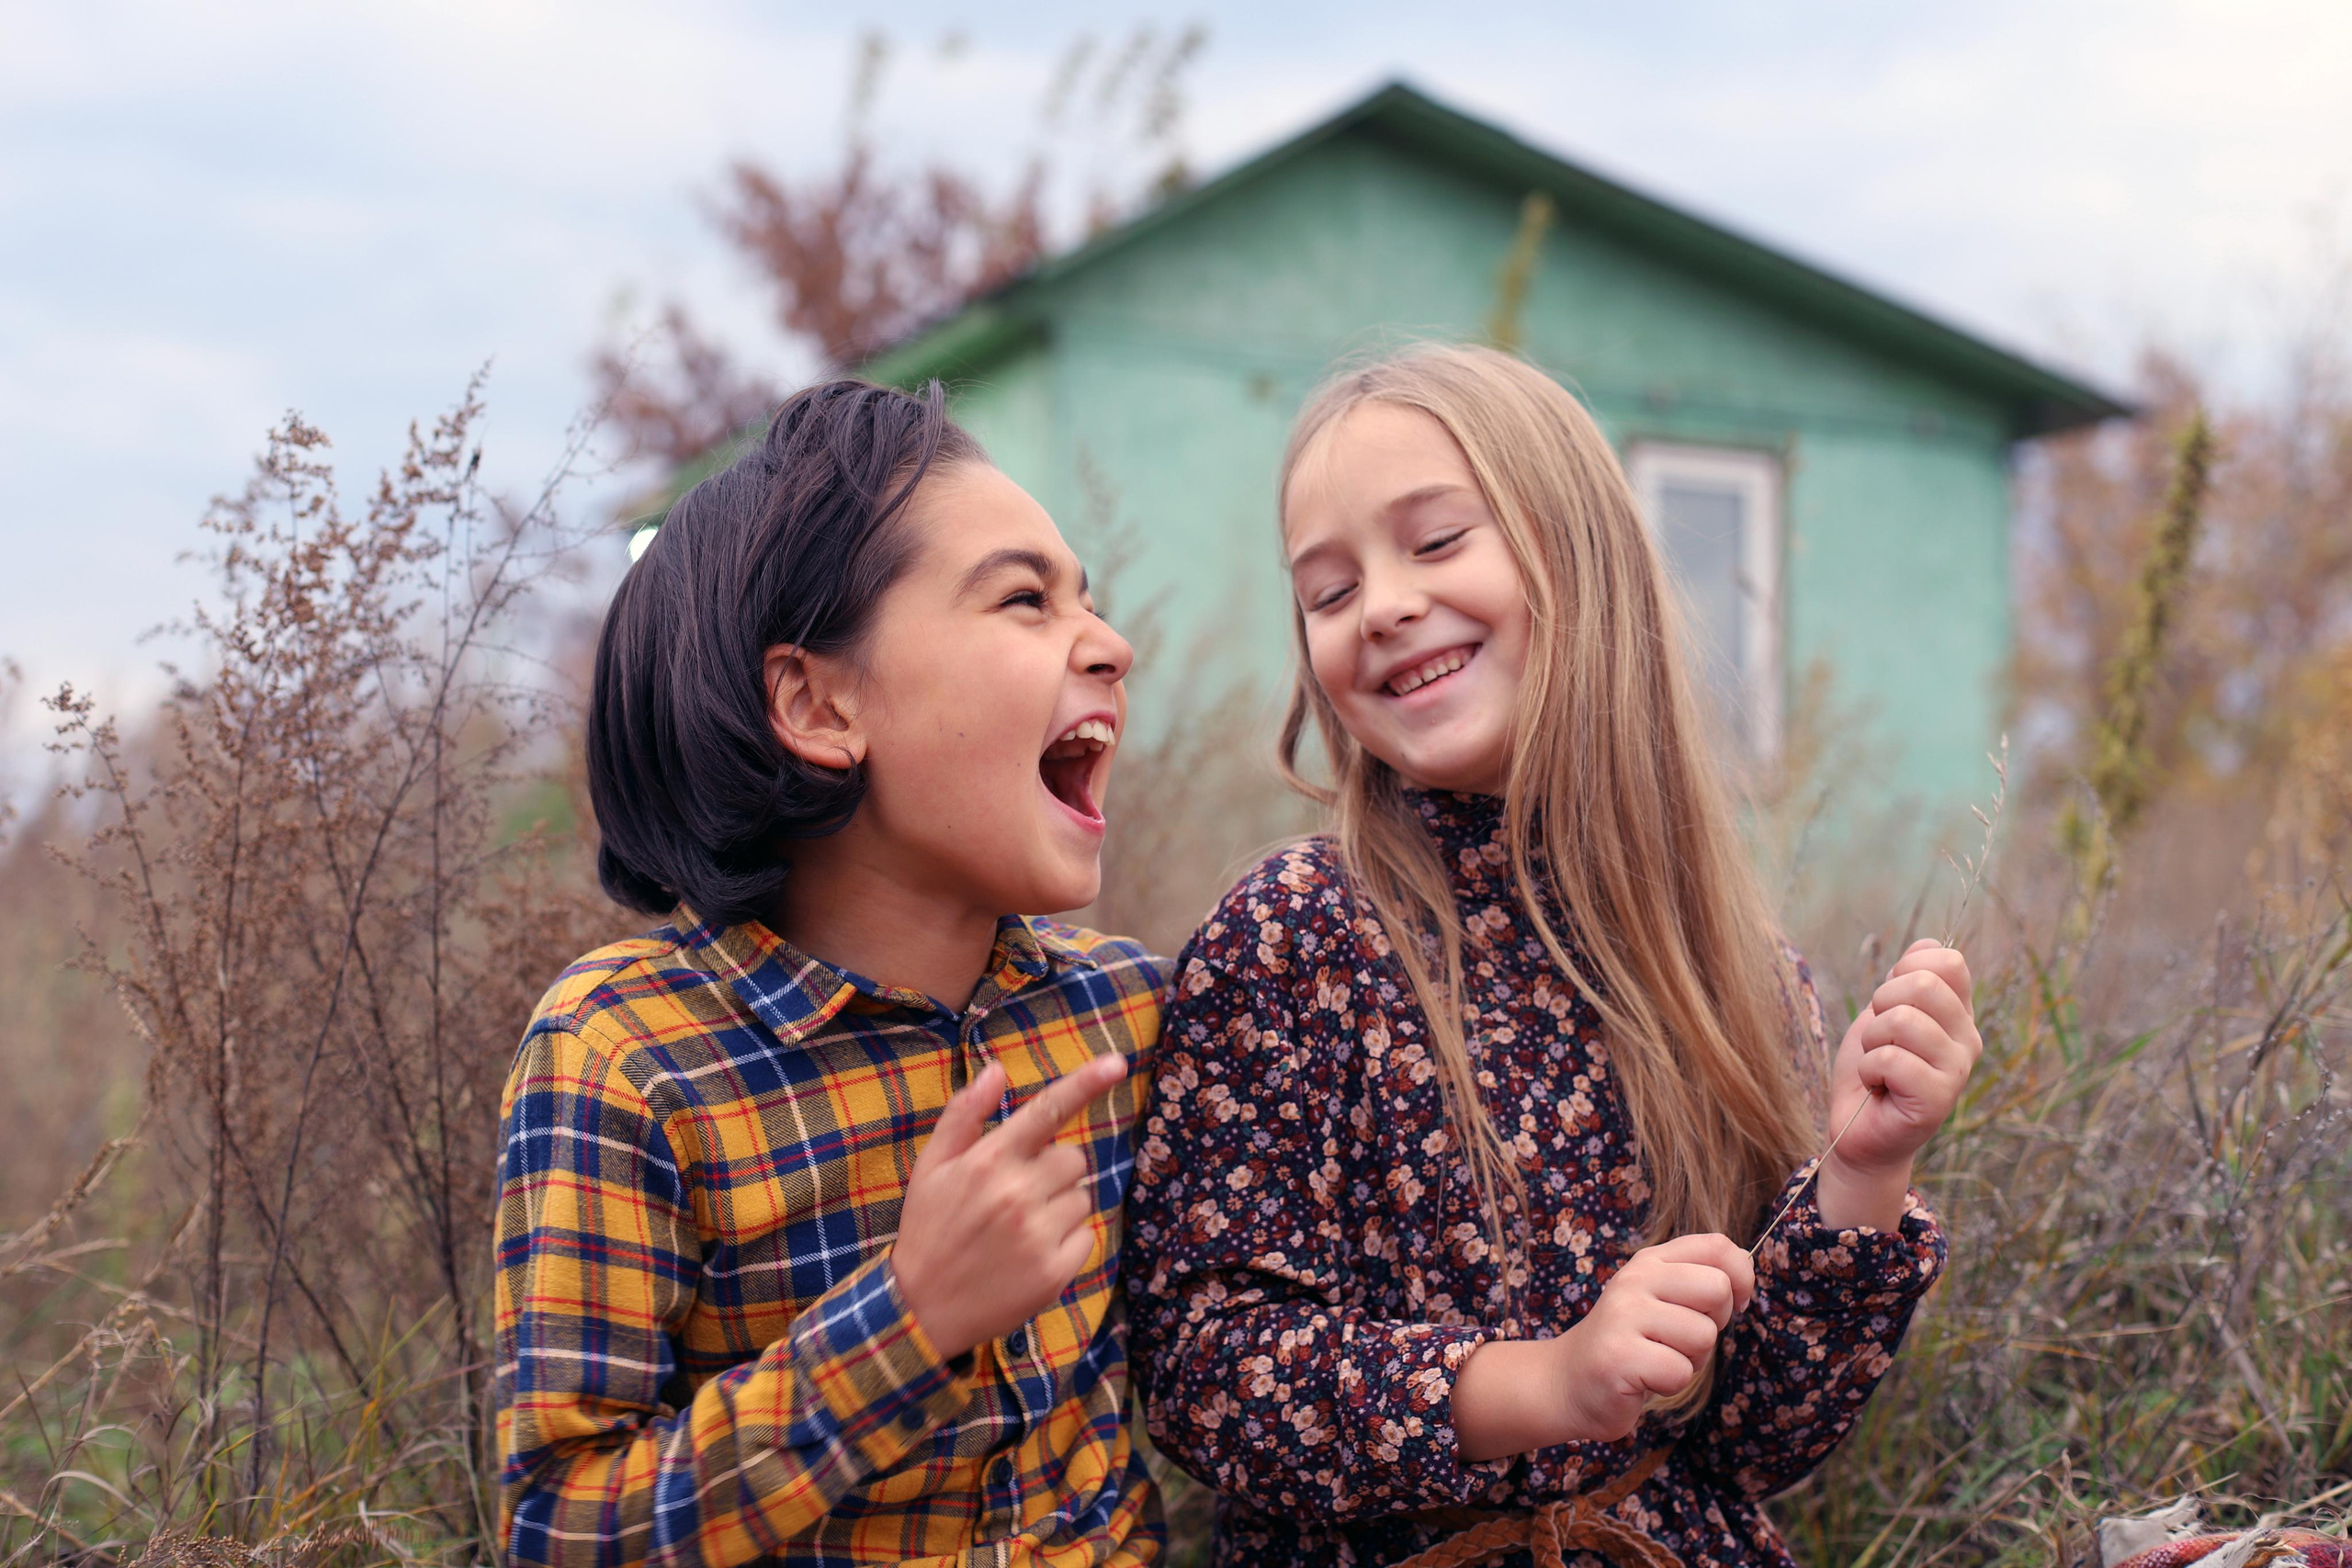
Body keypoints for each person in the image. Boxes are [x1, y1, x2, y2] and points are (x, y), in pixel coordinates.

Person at [1124, 344, 1983, 1568]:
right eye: (1326, 592)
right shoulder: (1300, 937)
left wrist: (1864, 1171)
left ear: (1582, 555)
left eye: (1434, 542)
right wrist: (1543, 1384)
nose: (1380, 605)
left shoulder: (1729, 966)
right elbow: (1204, 1375)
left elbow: (1754, 1441)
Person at [494, 379, 1170, 1568]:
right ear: (817, 702)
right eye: (1024, 599)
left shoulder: (1129, 1016)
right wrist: (906, 1323)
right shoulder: (628, 1061)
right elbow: (561, 1528)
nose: (1110, 645)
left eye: (1090, 600)